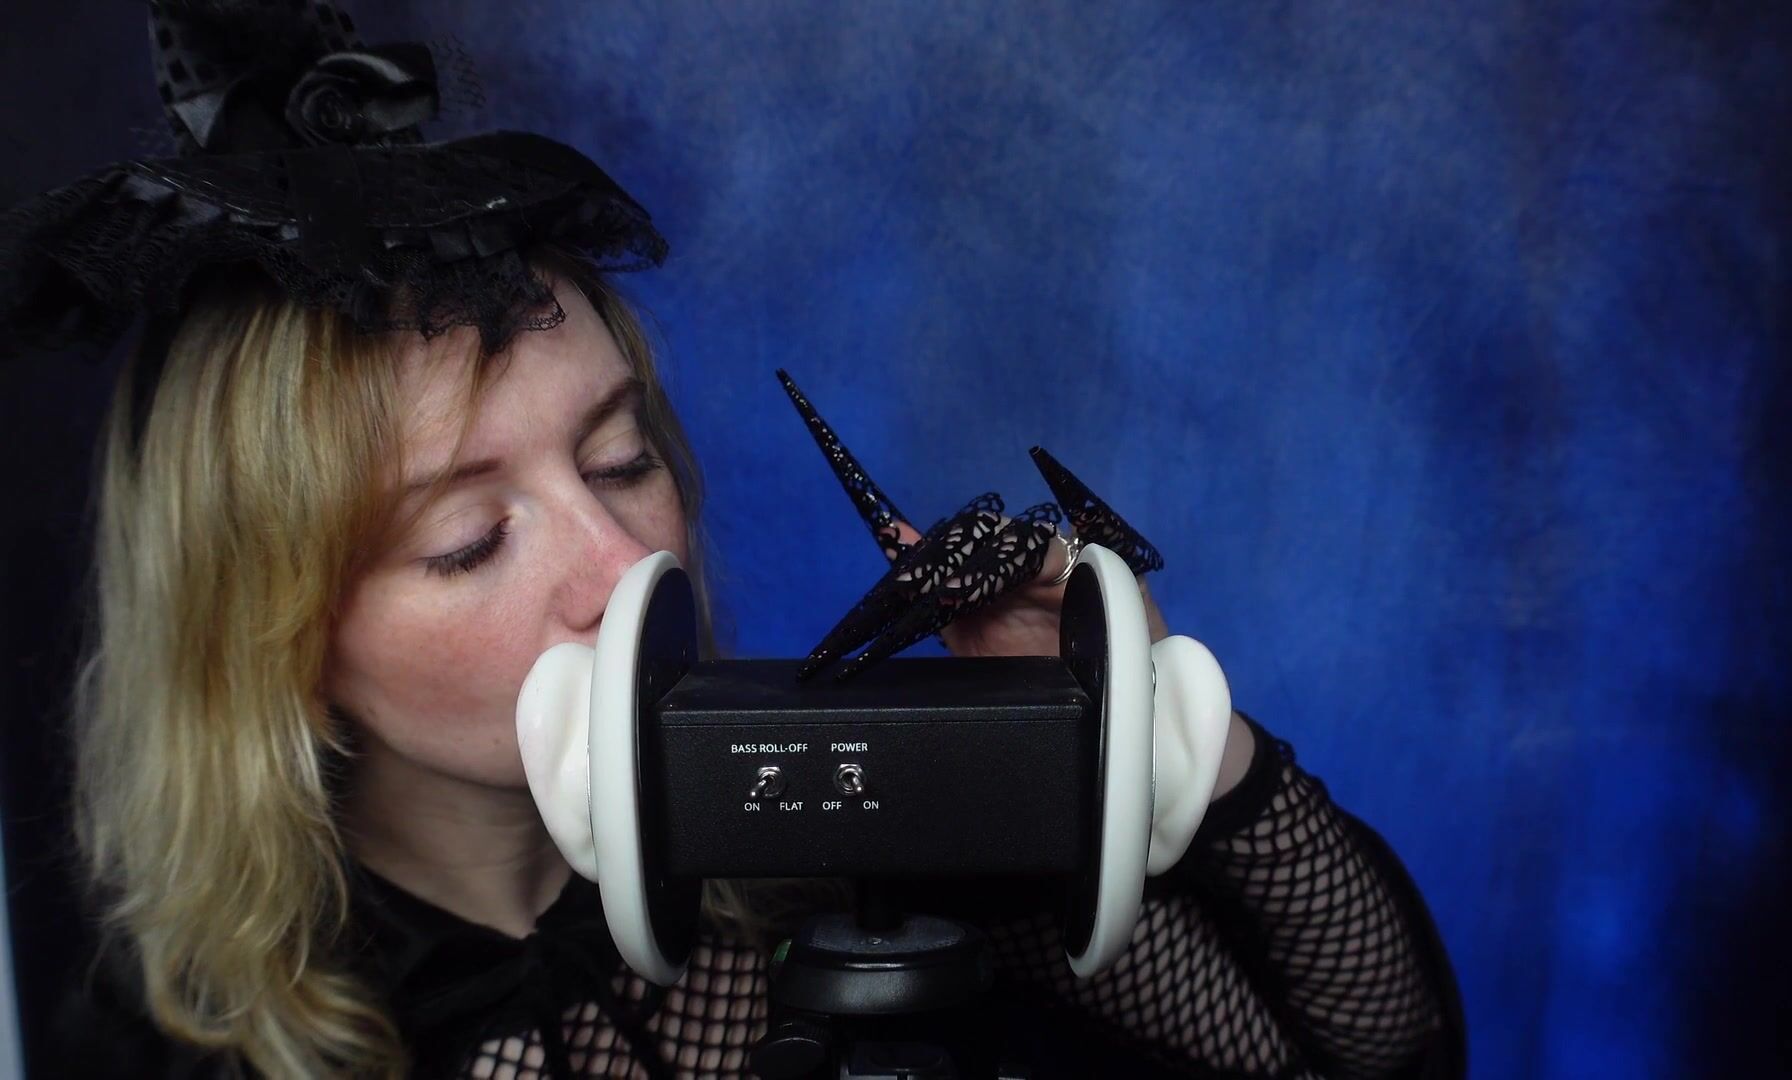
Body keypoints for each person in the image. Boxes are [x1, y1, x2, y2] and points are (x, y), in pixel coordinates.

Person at [6, 3, 1466, 1077]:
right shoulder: (167, 1048)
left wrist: (1158, 740)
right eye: (467, 540)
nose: (620, 567)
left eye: (623, 460)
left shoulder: (847, 847)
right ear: (275, 632)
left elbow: (1376, 1051)